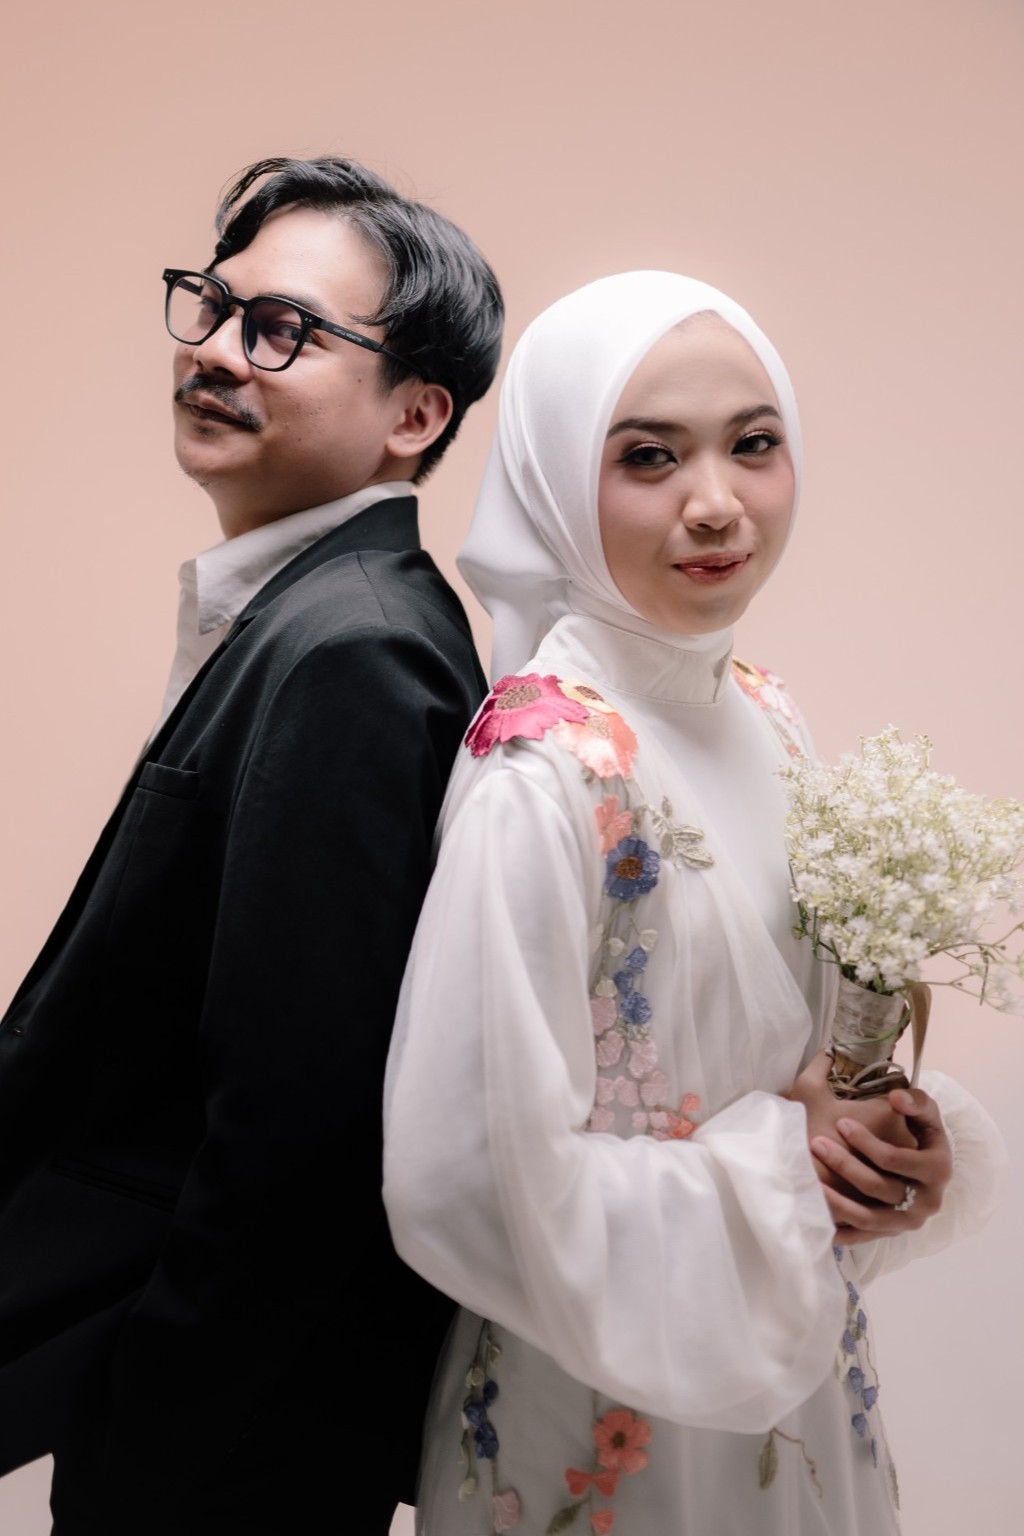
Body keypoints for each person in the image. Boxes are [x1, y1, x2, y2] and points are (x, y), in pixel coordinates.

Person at [382, 272, 1005, 1534]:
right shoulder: (542, 772)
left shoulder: (764, 711)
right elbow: (464, 1183)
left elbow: (788, 1066)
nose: (715, 502)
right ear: (559, 479)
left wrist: (877, 1153)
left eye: (753, 444)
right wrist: (786, 1170)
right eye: (649, 456)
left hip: (795, 1397)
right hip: (597, 1422)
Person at [0, 155, 503, 1534]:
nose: (219, 352)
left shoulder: (357, 650)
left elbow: (298, 1126)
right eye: (213, 308)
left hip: (222, 1443)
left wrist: (149, 1421)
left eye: (283, 330)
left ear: (416, 413)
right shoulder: (315, 611)